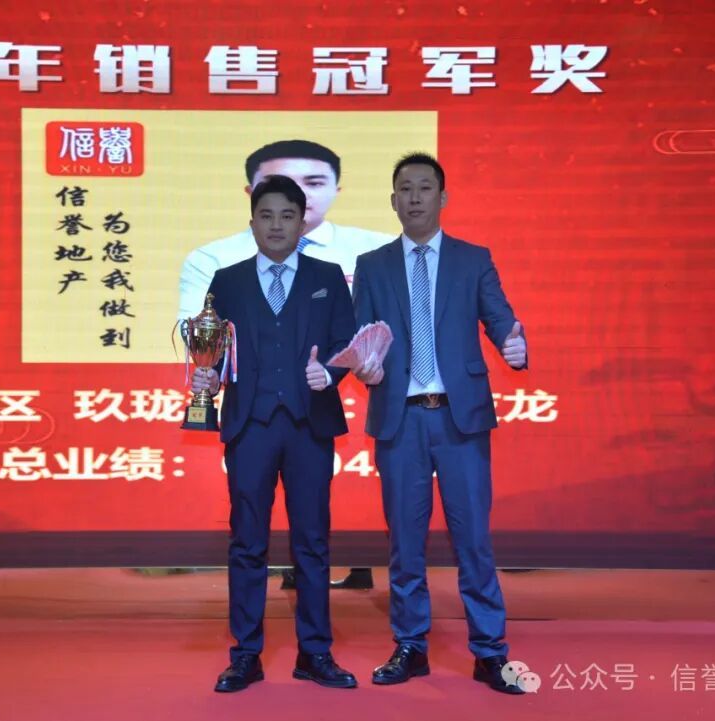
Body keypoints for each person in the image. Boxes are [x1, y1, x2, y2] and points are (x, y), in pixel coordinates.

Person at [351, 153, 529, 695]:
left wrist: (514, 344)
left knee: (472, 539)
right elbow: (360, 337)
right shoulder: (372, 265)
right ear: (392, 200)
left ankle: (490, 651)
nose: (414, 197)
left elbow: (500, 318)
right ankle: (411, 646)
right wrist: (363, 364)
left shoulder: (473, 259)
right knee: (405, 542)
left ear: (443, 197)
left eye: (424, 188)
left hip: (459, 418)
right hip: (400, 418)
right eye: (405, 189)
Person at [192, 175, 358, 692]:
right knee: (247, 542)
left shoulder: (328, 276)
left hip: (310, 425)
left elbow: (346, 342)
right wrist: (207, 376)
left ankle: (315, 652)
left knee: (312, 542)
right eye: (266, 216)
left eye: (287, 215)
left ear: (302, 222)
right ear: (252, 223)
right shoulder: (227, 281)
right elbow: (215, 351)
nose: (277, 225)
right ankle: (245, 655)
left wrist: (329, 372)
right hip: (251, 426)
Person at [177, 139, 392, 321]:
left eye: (314, 183)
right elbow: (197, 334)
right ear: (250, 192)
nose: (296, 193)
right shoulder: (211, 259)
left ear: (336, 190)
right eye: (278, 183)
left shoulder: (379, 251)